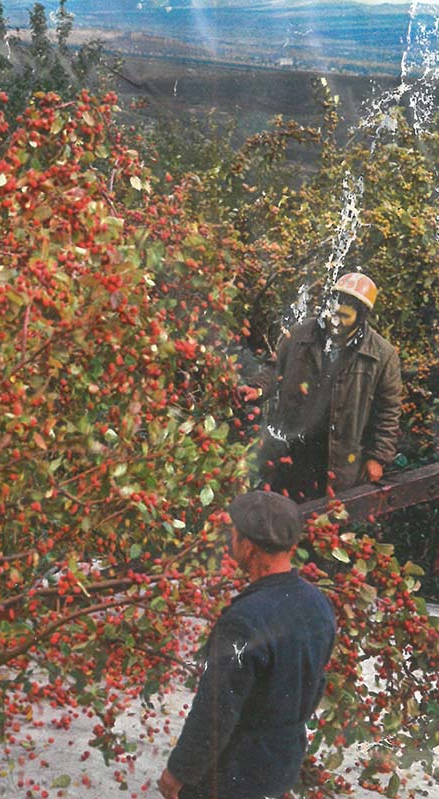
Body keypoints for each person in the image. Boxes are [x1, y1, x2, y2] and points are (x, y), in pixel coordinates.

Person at [157, 491, 336, 799]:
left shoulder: (243, 622)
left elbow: (215, 710)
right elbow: (316, 684)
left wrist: (179, 772)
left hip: (234, 772)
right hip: (283, 760)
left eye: (235, 535)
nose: (231, 541)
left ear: (248, 548)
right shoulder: (317, 604)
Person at [246, 272, 401, 501]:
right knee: (282, 512)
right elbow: (274, 368)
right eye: (332, 311)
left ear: (361, 317)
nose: (334, 320)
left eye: (344, 316)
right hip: (293, 447)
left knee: (325, 522)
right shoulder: (300, 334)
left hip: (337, 455)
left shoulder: (382, 355)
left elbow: (388, 411)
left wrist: (377, 458)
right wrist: (257, 389)